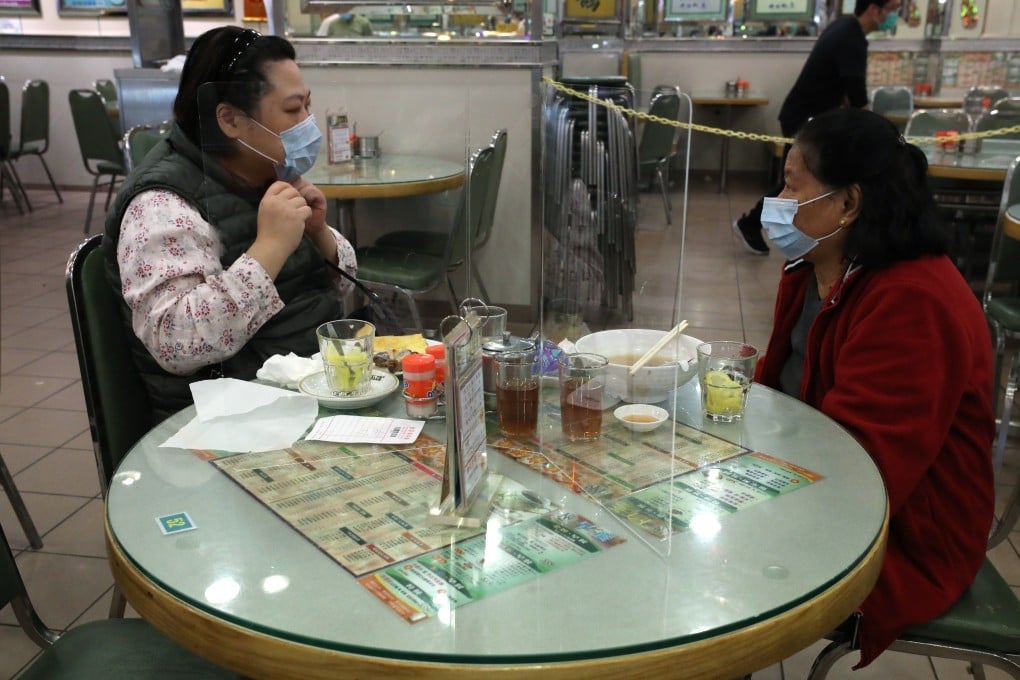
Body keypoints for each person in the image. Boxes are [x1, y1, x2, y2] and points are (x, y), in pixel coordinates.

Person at [754, 107, 994, 667]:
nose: (778, 200)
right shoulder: (813, 267)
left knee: (695, 566)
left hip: (901, 538)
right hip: (814, 486)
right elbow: (775, 391)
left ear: (848, 201)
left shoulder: (913, 301)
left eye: (792, 184)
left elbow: (863, 475)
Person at [103, 27, 358, 420]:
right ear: (229, 119)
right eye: (292, 110)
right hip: (224, 420)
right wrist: (270, 249)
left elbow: (340, 286)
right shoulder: (160, 204)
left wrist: (318, 234)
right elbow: (176, 342)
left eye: (307, 106)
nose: (307, 123)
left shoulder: (262, 173)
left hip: (304, 390)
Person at [733, 0, 902, 255]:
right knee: (797, 182)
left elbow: (845, 88)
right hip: (807, 118)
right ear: (874, 9)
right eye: (892, 9)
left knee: (798, 181)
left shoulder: (845, 27)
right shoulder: (850, 37)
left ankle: (765, 227)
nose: (895, 16)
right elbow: (856, 93)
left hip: (812, 115)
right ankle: (754, 225)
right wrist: (876, 132)